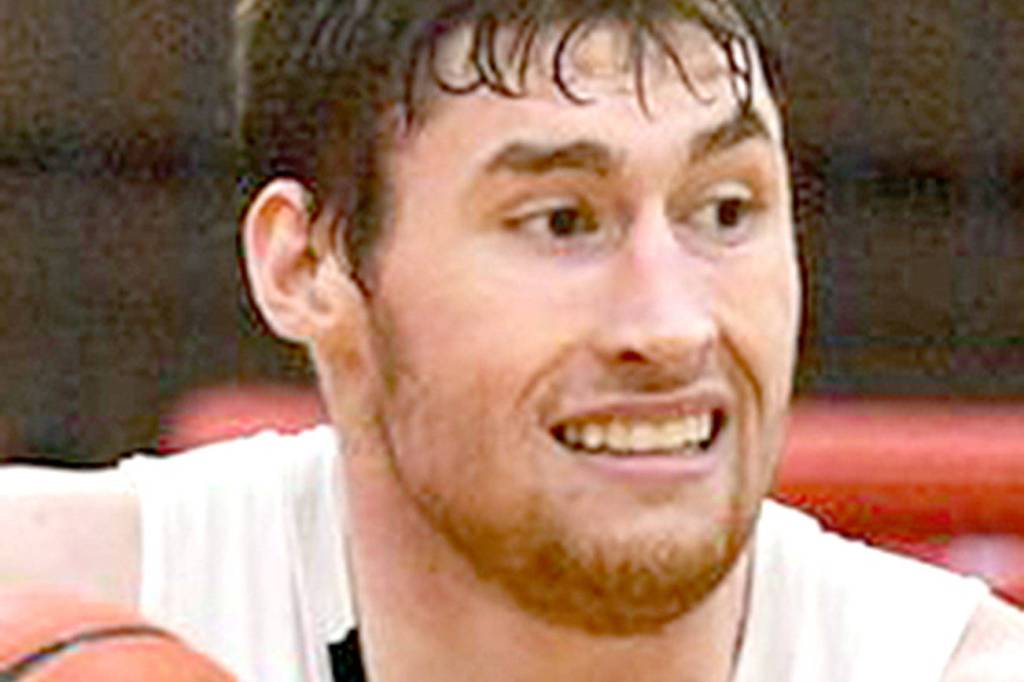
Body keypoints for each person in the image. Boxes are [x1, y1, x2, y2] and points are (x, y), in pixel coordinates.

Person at [2, 1, 1024, 680]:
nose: (671, 327)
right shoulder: (51, 590)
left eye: (725, 210)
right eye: (562, 222)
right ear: (306, 266)